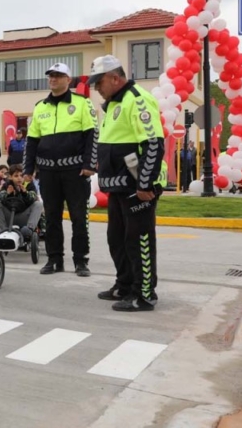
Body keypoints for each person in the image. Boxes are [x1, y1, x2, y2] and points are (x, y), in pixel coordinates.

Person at [88, 55, 164, 312]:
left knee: (138, 239)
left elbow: (153, 143)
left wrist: (145, 184)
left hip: (137, 186)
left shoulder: (138, 100)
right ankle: (125, 284)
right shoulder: (112, 104)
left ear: (115, 78)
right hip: (119, 185)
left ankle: (144, 294)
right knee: (116, 238)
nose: (97, 87)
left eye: (99, 82)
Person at [23, 63, 97, 276]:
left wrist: (89, 165)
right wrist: (28, 169)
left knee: (79, 217)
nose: (53, 79)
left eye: (58, 76)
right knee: (52, 218)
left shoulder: (82, 103)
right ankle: (54, 260)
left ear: (68, 79)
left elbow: (93, 135)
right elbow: (32, 141)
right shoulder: (40, 107)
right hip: (48, 173)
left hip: (75, 171)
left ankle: (81, 261)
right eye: (51, 76)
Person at [0, 165, 43, 237]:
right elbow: (0, 198)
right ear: (11, 177)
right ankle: (3, 229)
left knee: (38, 204)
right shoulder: (7, 185)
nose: (19, 178)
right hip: (9, 215)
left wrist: (25, 193)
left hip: (24, 216)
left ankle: (29, 229)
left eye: (21, 176)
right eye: (16, 176)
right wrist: (7, 193)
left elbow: (33, 198)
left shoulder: (29, 185)